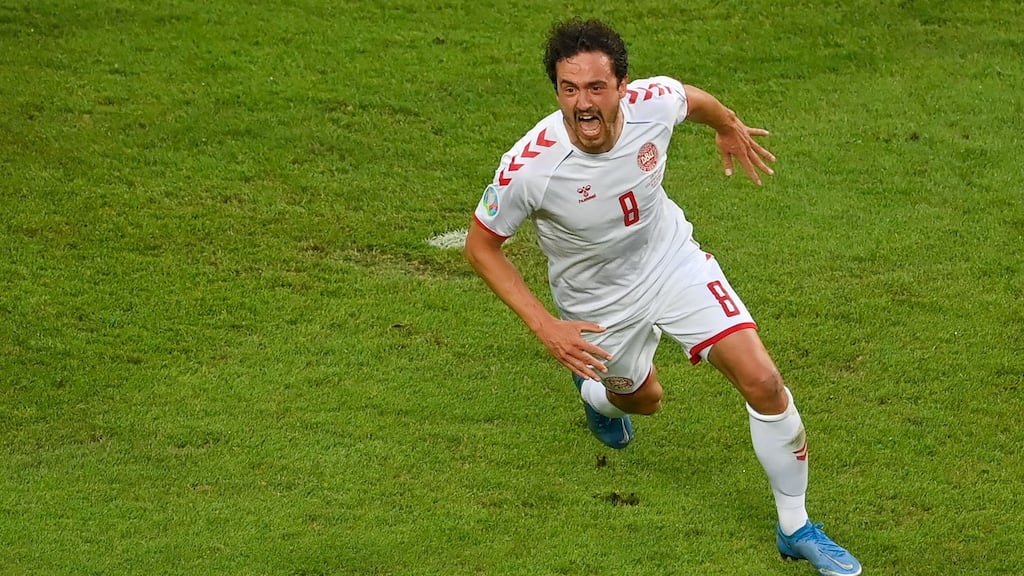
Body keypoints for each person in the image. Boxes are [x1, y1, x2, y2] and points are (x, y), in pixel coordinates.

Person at [464, 17, 860, 576]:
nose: (583, 104)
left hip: (671, 261)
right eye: (569, 89)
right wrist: (545, 326)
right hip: (597, 304)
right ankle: (597, 396)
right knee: (643, 401)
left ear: (622, 86)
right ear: (556, 90)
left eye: (596, 88)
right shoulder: (531, 168)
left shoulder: (654, 101)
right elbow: (482, 248)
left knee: (765, 381)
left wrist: (726, 126)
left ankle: (795, 527)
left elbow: (691, 100)